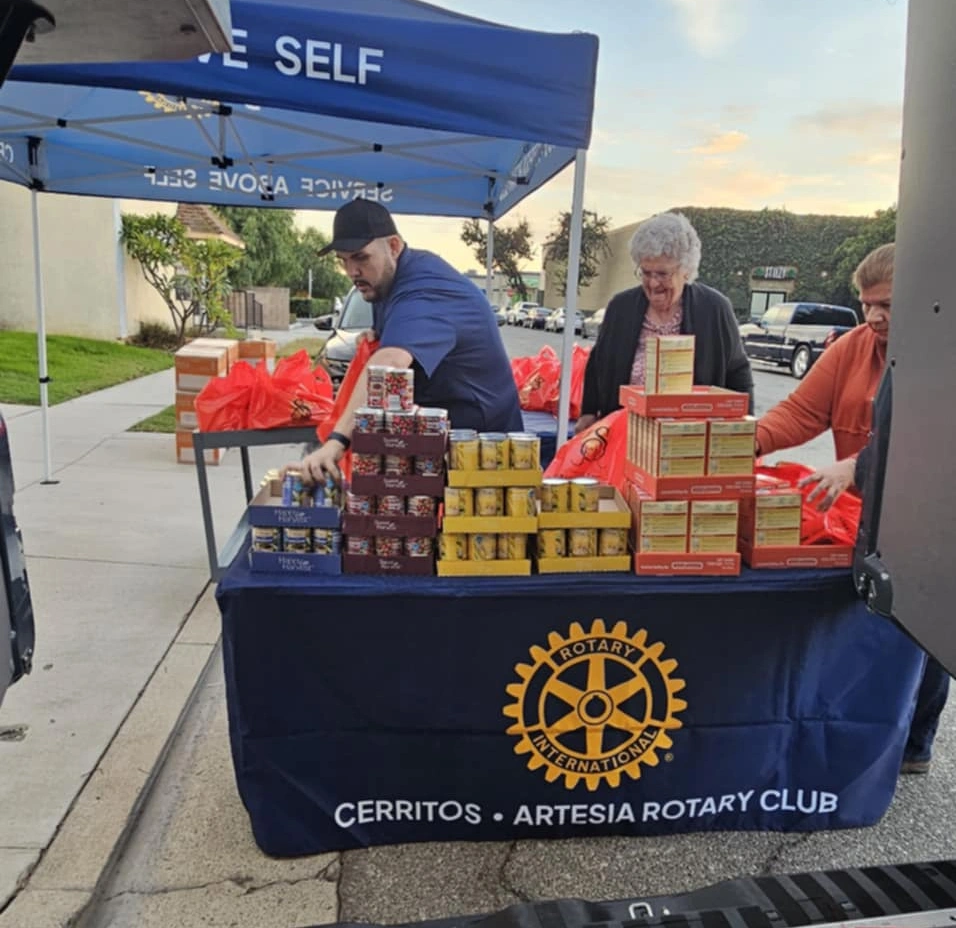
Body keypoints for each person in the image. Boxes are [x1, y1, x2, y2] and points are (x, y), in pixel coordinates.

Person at [759, 242, 948, 775]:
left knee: (923, 632)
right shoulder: (852, 347)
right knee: (867, 631)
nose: (874, 316)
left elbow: (927, 435)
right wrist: (741, 441)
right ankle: (861, 732)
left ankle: (915, 744)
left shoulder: (942, 348)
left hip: (929, 521)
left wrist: (855, 467)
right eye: (866, 304)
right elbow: (801, 413)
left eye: (886, 304)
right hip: (864, 521)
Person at [293, 198, 522, 484]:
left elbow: (389, 363)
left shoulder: (424, 288)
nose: (352, 271)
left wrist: (337, 441)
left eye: (361, 258)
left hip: (481, 450)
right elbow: (391, 341)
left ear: (393, 246)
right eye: (343, 260)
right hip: (434, 438)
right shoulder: (384, 282)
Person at [575, 211, 753, 434]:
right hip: (624, 431)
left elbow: (737, 371)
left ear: (686, 270)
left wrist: (744, 431)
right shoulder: (621, 307)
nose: (653, 283)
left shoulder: (715, 309)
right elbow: (597, 363)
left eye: (662, 274)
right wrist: (589, 412)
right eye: (646, 272)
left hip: (690, 437)